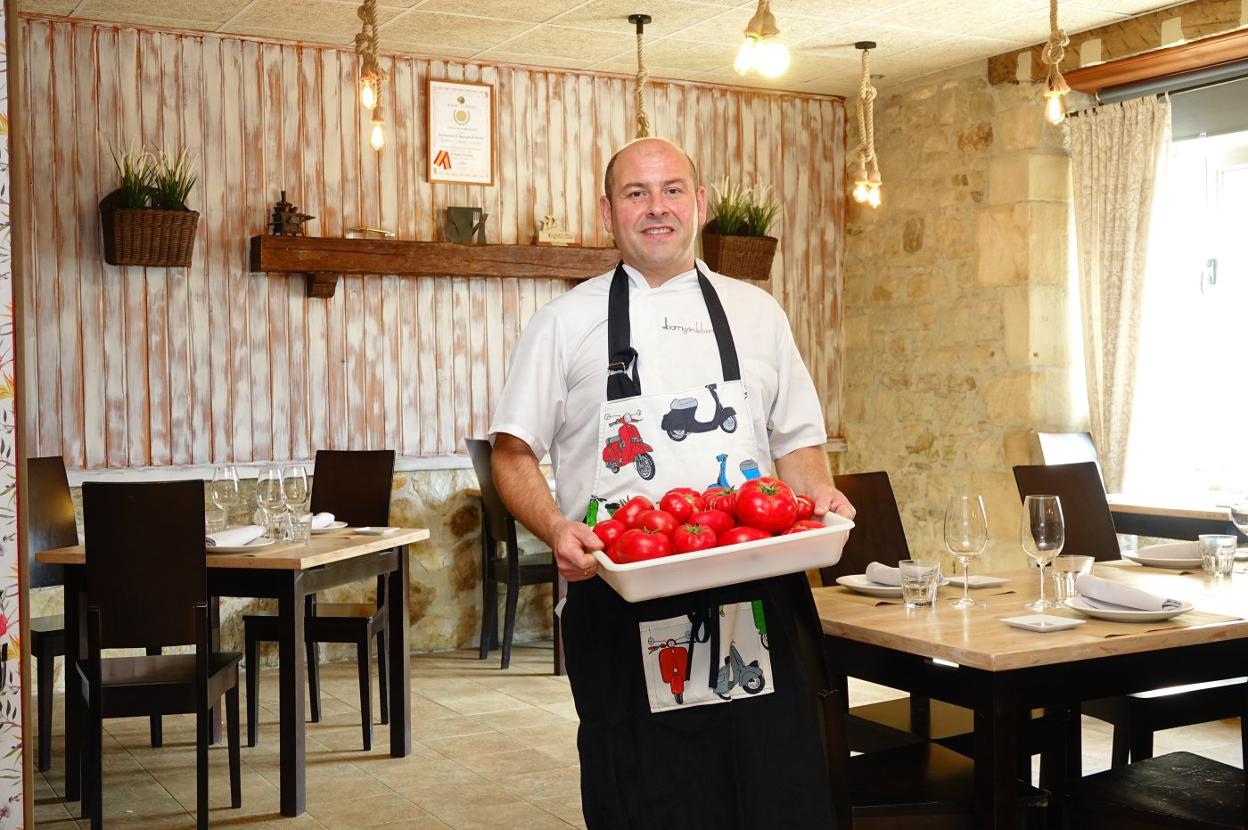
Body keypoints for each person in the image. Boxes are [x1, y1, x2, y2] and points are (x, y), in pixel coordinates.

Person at [489, 137, 854, 828]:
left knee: (772, 787)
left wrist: (819, 498)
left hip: (755, 584)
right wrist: (559, 528)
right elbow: (512, 452)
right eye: (636, 193)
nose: (657, 208)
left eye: (673, 189)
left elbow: (798, 440)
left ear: (700, 203)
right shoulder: (563, 323)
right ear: (608, 212)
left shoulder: (758, 313)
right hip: (622, 591)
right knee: (647, 796)